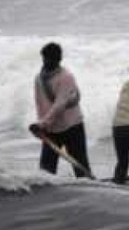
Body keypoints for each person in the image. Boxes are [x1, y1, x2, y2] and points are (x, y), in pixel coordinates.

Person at [32, 42, 91, 177]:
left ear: (59, 59)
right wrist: (42, 125)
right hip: (51, 129)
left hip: (72, 127)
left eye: (50, 59)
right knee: (46, 171)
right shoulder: (39, 78)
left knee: (81, 167)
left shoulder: (66, 77)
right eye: (45, 58)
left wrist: (42, 123)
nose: (46, 62)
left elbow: (60, 104)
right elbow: (39, 103)